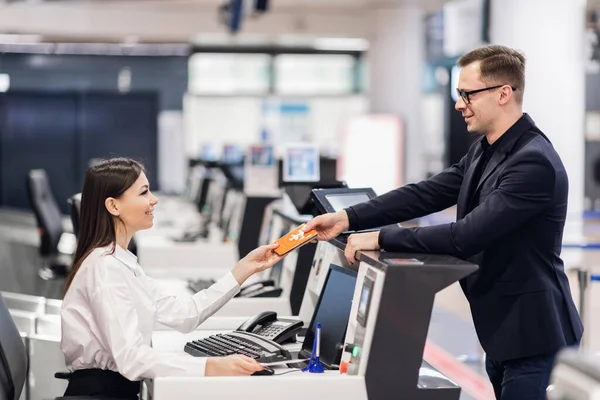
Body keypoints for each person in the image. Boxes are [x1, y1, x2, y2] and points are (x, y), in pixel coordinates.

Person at [303, 44, 583, 400]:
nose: (458, 104)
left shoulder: (533, 163)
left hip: (535, 333)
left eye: (467, 94)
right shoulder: (486, 148)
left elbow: (466, 236)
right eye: (458, 93)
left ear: (503, 94)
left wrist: (381, 238)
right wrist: (347, 217)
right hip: (503, 330)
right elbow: (426, 194)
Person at [61, 157, 283, 399]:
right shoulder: (104, 269)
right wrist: (211, 367)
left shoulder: (120, 262)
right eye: (144, 193)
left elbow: (185, 314)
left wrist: (245, 268)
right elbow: (132, 359)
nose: (153, 200)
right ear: (114, 206)